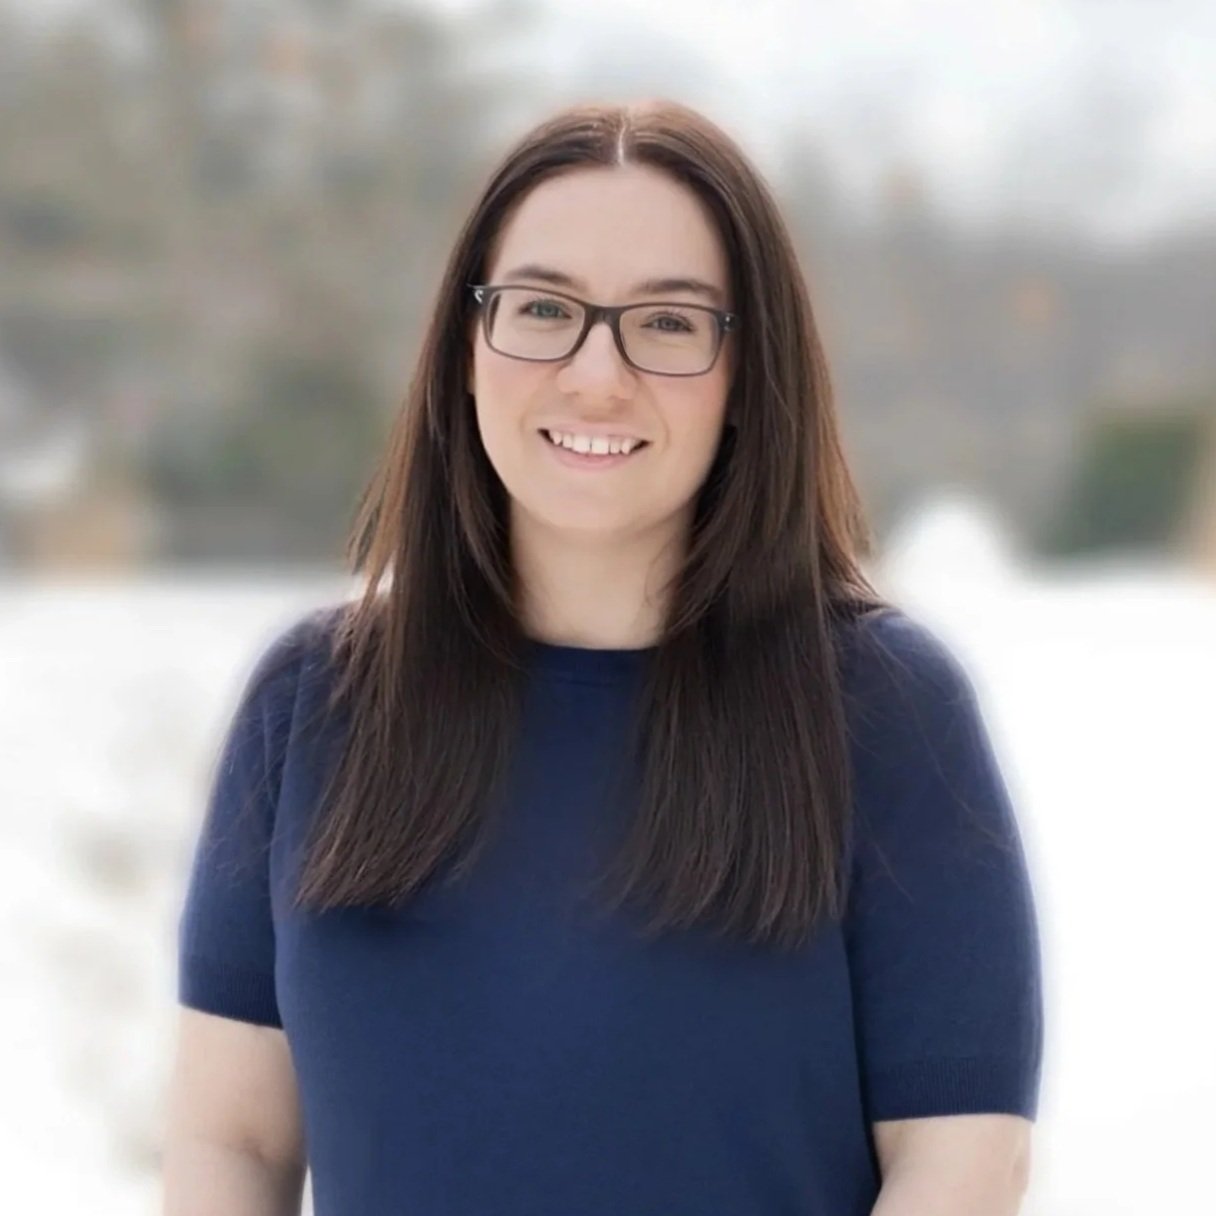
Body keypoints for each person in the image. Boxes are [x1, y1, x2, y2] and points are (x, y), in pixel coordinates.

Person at [161, 100, 1043, 1216]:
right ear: (466, 348)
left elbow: (961, 1161)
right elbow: (232, 1138)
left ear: (747, 374)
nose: (595, 375)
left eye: (667, 323)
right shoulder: (314, 703)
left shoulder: (883, 709)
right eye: (542, 308)